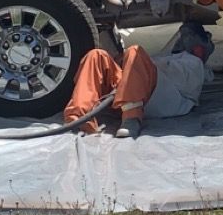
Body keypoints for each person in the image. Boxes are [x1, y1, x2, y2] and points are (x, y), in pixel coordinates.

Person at [64, 21, 214, 138]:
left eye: (189, 36)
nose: (183, 39)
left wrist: (135, 63)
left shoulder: (195, 65)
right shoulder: (168, 56)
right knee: (96, 56)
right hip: (125, 95)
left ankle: (132, 118)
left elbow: (175, 79)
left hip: (151, 100)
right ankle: (80, 118)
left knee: (135, 52)